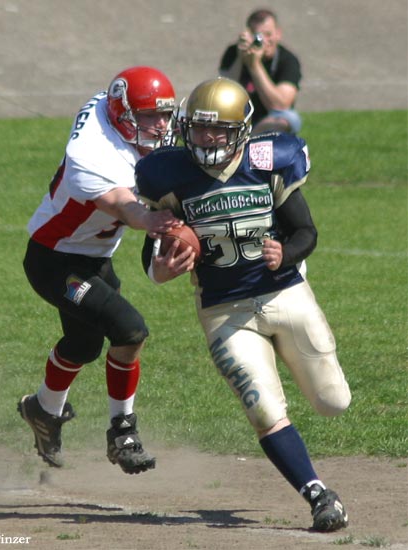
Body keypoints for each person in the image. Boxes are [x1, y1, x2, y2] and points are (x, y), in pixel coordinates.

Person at [135, 77, 351, 531]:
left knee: (334, 401)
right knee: (264, 410)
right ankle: (318, 494)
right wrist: (163, 268)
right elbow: (151, 257)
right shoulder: (166, 174)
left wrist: (285, 253)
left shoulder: (269, 160)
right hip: (224, 310)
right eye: (199, 128)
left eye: (219, 129)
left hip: (284, 294)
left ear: (243, 131)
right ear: (184, 128)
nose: (208, 138)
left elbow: (305, 231)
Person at [18, 66, 182, 475]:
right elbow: (123, 205)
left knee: (83, 345)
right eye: (149, 116)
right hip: (55, 259)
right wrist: (150, 219)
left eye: (164, 114)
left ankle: (43, 410)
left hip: (93, 257)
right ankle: (123, 431)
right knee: (130, 330)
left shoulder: (108, 109)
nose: (161, 125)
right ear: (122, 114)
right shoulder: (90, 155)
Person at [219, 8, 302, 134]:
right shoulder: (233, 53)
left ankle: (249, 141)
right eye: (257, 35)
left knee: (289, 118)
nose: (263, 40)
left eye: (268, 34)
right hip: (237, 119)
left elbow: (280, 105)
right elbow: (223, 95)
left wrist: (254, 65)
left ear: (278, 34)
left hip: (267, 120)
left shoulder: (288, 60)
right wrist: (241, 58)